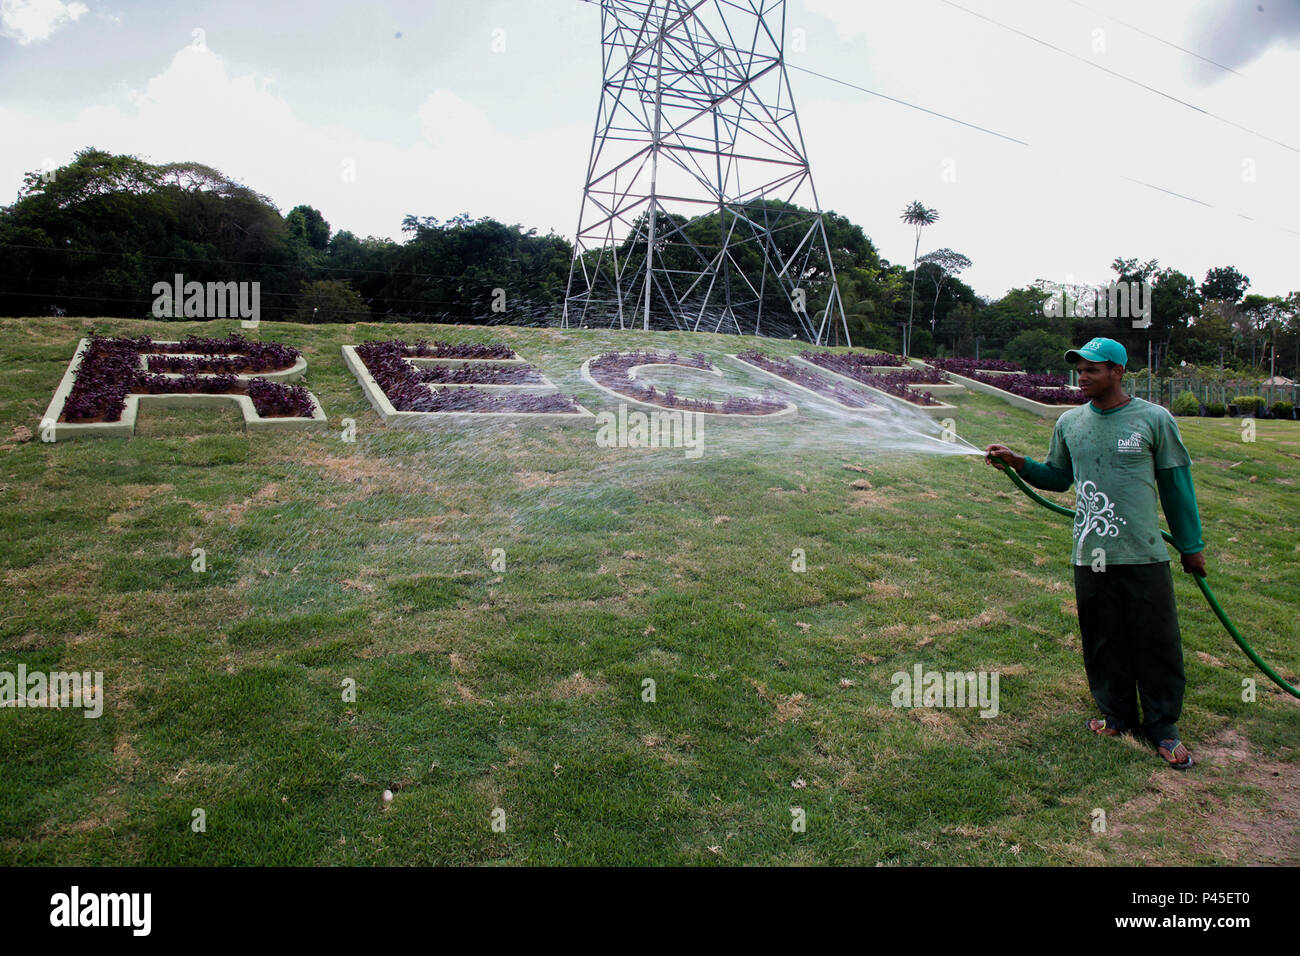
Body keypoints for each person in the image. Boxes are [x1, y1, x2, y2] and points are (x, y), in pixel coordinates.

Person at [985, 337, 1206, 770]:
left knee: (1156, 643)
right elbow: (1058, 477)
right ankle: (1117, 717)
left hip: (1143, 554)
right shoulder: (1070, 422)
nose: (1082, 377)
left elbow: (1176, 487)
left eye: (1092, 369)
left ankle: (1163, 729)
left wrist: (1191, 545)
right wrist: (1018, 461)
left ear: (1117, 371)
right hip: (1090, 554)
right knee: (1104, 641)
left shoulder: (1153, 419)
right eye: (1079, 370)